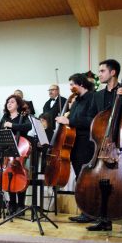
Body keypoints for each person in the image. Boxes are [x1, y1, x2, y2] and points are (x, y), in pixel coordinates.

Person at [85, 59, 122, 235]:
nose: (99, 74)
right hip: (103, 145)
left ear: (113, 73)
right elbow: (91, 117)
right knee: (102, 184)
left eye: (102, 71)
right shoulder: (96, 95)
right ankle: (103, 219)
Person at [54, 74, 95, 224]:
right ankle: (85, 212)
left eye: (72, 84)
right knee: (80, 178)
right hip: (74, 145)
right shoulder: (76, 101)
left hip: (86, 144)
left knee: (87, 179)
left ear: (81, 84)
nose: (70, 88)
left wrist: (69, 120)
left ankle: (91, 212)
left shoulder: (92, 98)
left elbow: (91, 120)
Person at [0, 94, 32, 215]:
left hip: (21, 150)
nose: (9, 104)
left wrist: (12, 125)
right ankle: (12, 204)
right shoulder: (5, 117)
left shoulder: (23, 116)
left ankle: (21, 205)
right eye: (8, 102)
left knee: (20, 176)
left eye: (12, 102)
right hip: (8, 151)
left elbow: (27, 127)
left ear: (18, 105)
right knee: (9, 176)